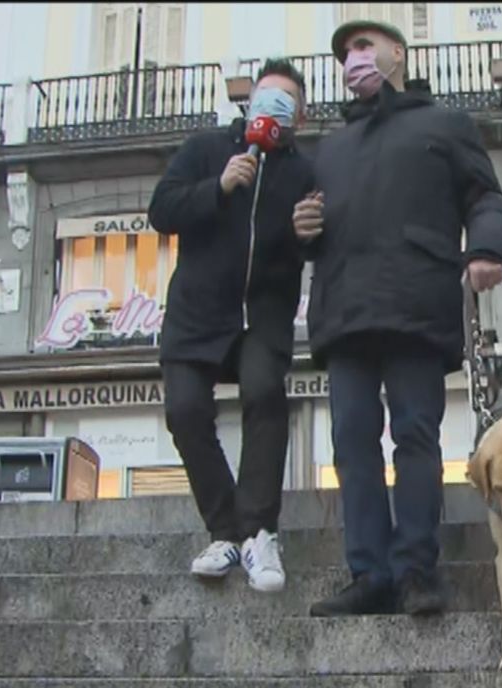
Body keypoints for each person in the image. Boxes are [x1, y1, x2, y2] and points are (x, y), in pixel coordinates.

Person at [294, 20, 502, 616]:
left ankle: (416, 569)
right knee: (351, 444)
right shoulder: (331, 149)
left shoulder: (445, 124)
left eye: (363, 47)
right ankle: (369, 574)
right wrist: (303, 233)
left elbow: (486, 197)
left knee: (416, 437)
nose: (352, 59)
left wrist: (487, 248)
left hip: (416, 303)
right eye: (344, 53)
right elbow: (314, 228)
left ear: (397, 53)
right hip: (345, 311)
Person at [148, 59, 315, 593]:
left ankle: (259, 532)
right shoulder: (204, 149)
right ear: (248, 103)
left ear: (300, 119)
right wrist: (217, 188)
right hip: (198, 313)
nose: (272, 110)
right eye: (265, 98)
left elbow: (316, 246)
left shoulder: (303, 172)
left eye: (284, 103)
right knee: (185, 410)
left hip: (262, 313)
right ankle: (225, 530)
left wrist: (303, 234)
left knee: (266, 394)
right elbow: (161, 210)